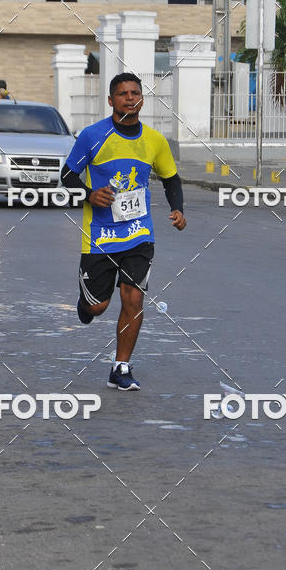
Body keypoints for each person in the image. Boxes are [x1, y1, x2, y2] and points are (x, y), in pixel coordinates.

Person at [60, 72, 186, 392]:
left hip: (139, 233)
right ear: (111, 100)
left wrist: (178, 209)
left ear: (141, 99)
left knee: (133, 298)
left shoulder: (155, 140)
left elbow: (171, 178)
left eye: (134, 93)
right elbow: (68, 175)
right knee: (98, 307)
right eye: (122, 93)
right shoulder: (92, 136)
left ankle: (121, 367)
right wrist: (90, 194)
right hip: (100, 236)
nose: (129, 98)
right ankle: (86, 304)